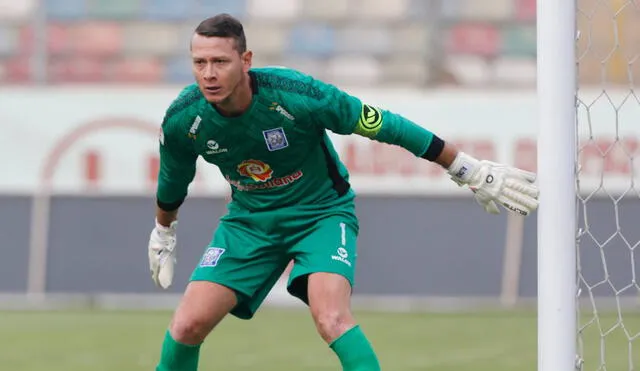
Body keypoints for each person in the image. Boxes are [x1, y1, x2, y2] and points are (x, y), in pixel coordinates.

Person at [148, 13, 539, 371]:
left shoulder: (297, 95)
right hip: (249, 223)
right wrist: (164, 231)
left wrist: (463, 166)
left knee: (331, 318)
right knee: (186, 325)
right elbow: (172, 181)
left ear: (246, 60)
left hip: (320, 216)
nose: (209, 74)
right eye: (200, 63)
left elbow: (386, 125)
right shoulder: (185, 118)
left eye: (220, 61)